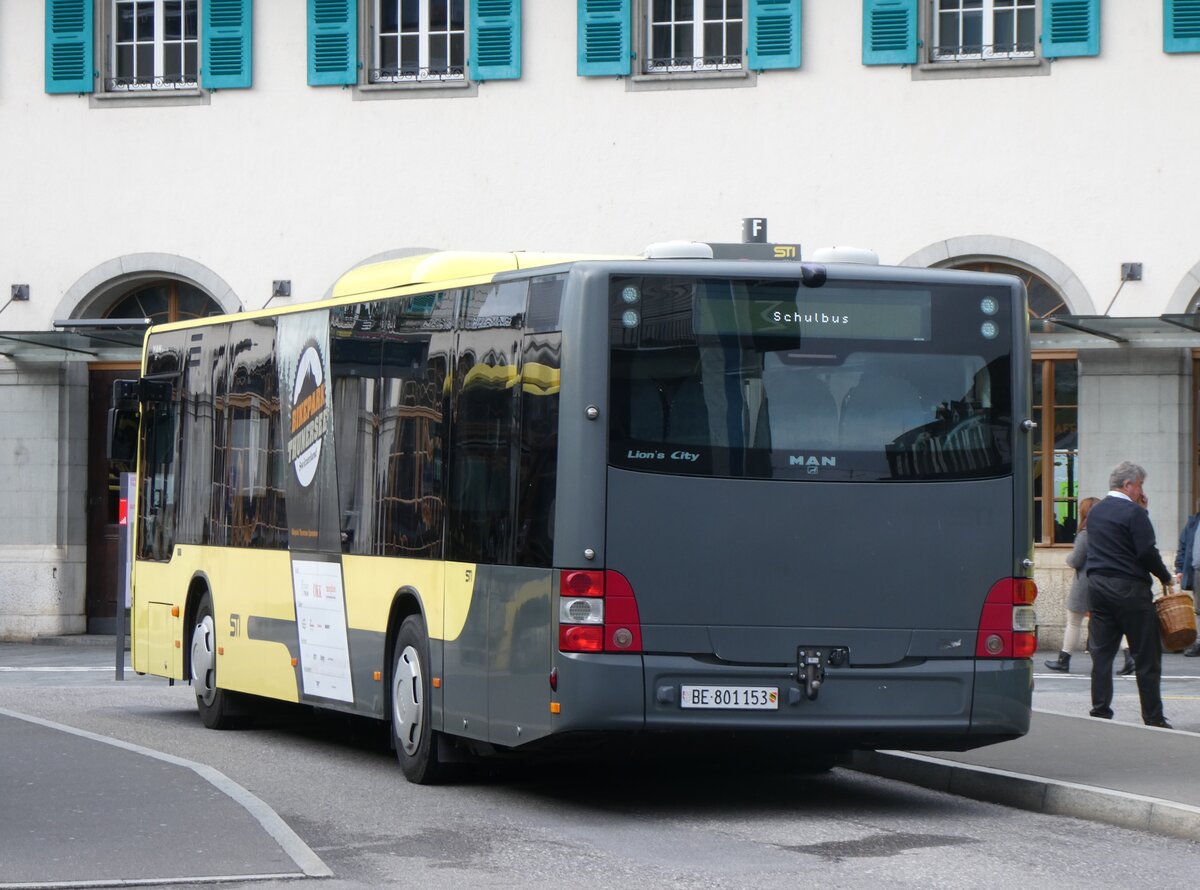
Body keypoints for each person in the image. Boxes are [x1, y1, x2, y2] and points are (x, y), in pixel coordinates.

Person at [1084, 461, 1174, 728]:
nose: (1141, 491)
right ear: (1128, 485)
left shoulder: (1096, 512)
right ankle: (1153, 717)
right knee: (1146, 654)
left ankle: (1100, 710)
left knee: (1101, 654)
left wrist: (1140, 509)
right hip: (1129, 589)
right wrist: (1165, 576)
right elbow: (1146, 551)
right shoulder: (1134, 514)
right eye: (1140, 485)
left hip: (1098, 586)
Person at [1046, 496, 1100, 673]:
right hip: (1101, 582)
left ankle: (1064, 659)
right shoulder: (1105, 532)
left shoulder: (1085, 534)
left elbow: (1076, 560)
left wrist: (1068, 559)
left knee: (1073, 621)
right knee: (1110, 621)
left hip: (1084, 583)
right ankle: (1128, 655)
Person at [1176, 500, 1200, 657]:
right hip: (1197, 570)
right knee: (1198, 609)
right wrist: (1179, 568)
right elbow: (1183, 547)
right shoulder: (1193, 524)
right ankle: (1199, 642)